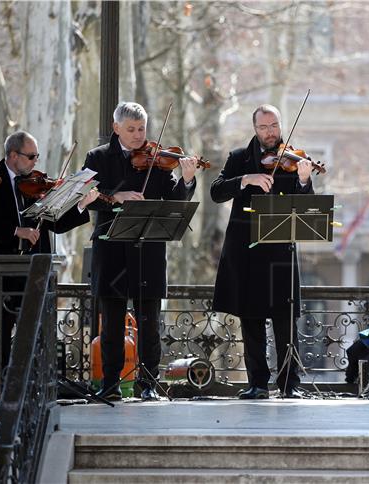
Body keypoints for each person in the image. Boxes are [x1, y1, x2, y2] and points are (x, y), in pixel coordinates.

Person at [84, 102, 198, 401]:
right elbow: (85, 198)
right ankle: (110, 384)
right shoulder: (97, 157)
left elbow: (174, 200)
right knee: (111, 322)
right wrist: (114, 197)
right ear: (116, 128)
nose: (138, 136)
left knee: (149, 321)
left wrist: (187, 179)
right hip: (111, 248)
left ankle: (148, 383)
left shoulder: (157, 159)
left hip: (148, 248)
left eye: (142, 129)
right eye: (131, 130)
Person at [210, 104, 315, 399]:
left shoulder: (294, 159)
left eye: (274, 126)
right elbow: (216, 191)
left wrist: (304, 180)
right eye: (264, 127)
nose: (270, 133)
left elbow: (308, 205)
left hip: (280, 251)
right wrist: (246, 179)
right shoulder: (239, 159)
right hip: (245, 251)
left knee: (285, 320)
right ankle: (257, 383)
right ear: (255, 129)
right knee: (251, 319)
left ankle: (289, 384)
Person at [0, 130, 98, 368]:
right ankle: (1, 384)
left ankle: (34, 384)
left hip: (34, 273)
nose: (35, 162)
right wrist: (15, 231)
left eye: (37, 156)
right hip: (1, 275)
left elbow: (55, 224)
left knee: (37, 332)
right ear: (13, 155)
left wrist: (80, 204)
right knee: (1, 333)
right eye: (31, 157)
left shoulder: (34, 184)